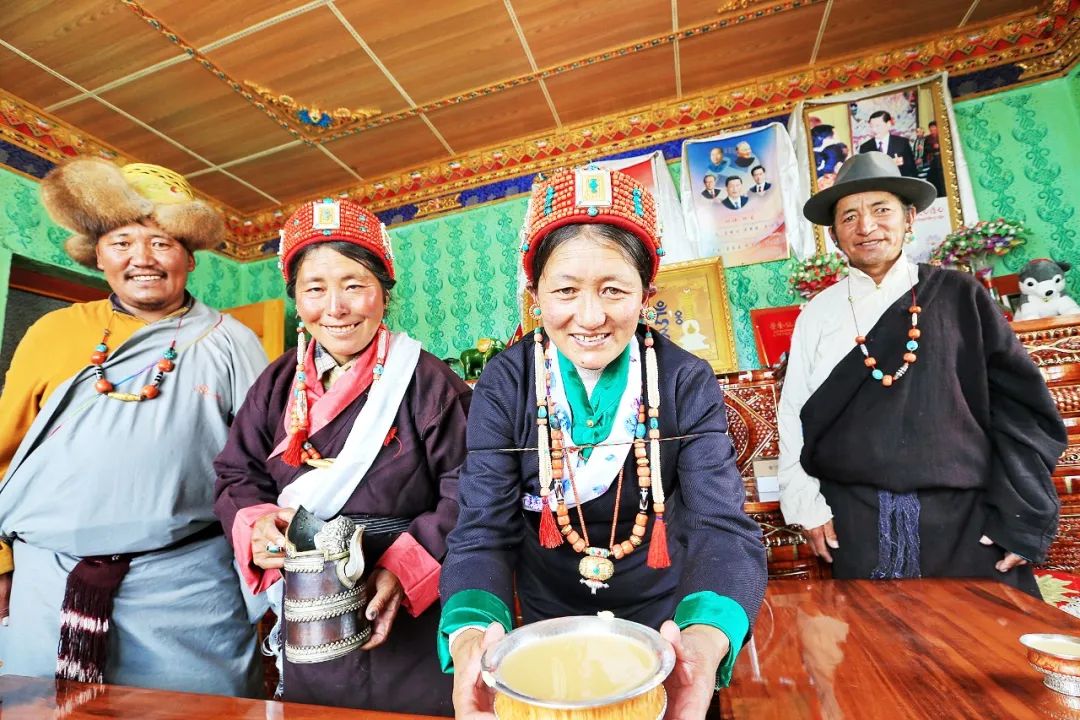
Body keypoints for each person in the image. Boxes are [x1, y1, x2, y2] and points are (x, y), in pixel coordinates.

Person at [439, 166, 767, 719]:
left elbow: (722, 526)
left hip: (667, 632)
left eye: (614, 290)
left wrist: (704, 642)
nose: (590, 317)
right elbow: (482, 531)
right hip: (548, 636)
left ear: (647, 294)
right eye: (565, 290)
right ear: (536, 294)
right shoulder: (506, 382)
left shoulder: (684, 379)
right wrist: (471, 636)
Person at [0, 159, 268, 694]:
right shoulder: (52, 331)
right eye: (122, 242)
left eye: (162, 243)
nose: (142, 259)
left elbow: (261, 468)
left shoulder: (232, 340)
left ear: (190, 257)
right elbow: (6, 452)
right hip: (44, 581)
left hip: (189, 589)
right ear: (97, 255)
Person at [213, 198, 469, 716]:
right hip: (311, 595)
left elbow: (469, 486)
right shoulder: (277, 382)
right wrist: (259, 524)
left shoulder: (426, 380)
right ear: (296, 299)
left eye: (354, 285)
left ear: (383, 293)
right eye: (315, 289)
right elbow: (236, 472)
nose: (336, 307)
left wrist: (405, 567)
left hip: (403, 590)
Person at [777, 151, 1066, 594]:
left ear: (909, 218)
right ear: (834, 235)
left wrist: (1021, 513)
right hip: (856, 523)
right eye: (849, 216)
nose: (866, 226)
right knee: (879, 657)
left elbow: (1022, 411)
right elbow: (794, 415)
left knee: (988, 653)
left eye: (881, 210)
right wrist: (808, 505)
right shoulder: (817, 315)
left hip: (968, 520)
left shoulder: (959, 296)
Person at [858, 110, 917, 178]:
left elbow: (912, 170)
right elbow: (864, 174)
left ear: (888, 124)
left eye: (878, 126)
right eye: (871, 126)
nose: (874, 130)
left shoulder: (902, 143)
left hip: (899, 185)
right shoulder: (865, 148)